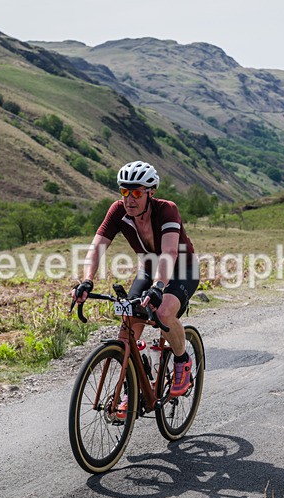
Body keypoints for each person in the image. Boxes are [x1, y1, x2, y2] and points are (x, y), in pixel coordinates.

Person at [71, 161, 199, 417]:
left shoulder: (167, 210)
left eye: (137, 192)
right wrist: (86, 280)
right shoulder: (118, 211)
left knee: (162, 313)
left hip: (182, 269)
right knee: (129, 322)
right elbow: (97, 247)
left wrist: (159, 287)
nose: (130, 198)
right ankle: (134, 383)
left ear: (150, 192)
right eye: (124, 192)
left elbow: (170, 252)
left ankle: (182, 361)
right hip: (150, 268)